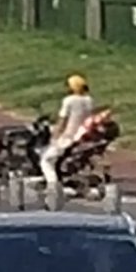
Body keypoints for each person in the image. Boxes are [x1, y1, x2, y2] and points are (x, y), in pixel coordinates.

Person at [42, 73, 97, 203]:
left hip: (68, 137)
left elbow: (63, 120)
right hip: (83, 135)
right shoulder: (89, 100)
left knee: (46, 161)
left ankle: (53, 186)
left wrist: (55, 136)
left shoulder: (69, 101)